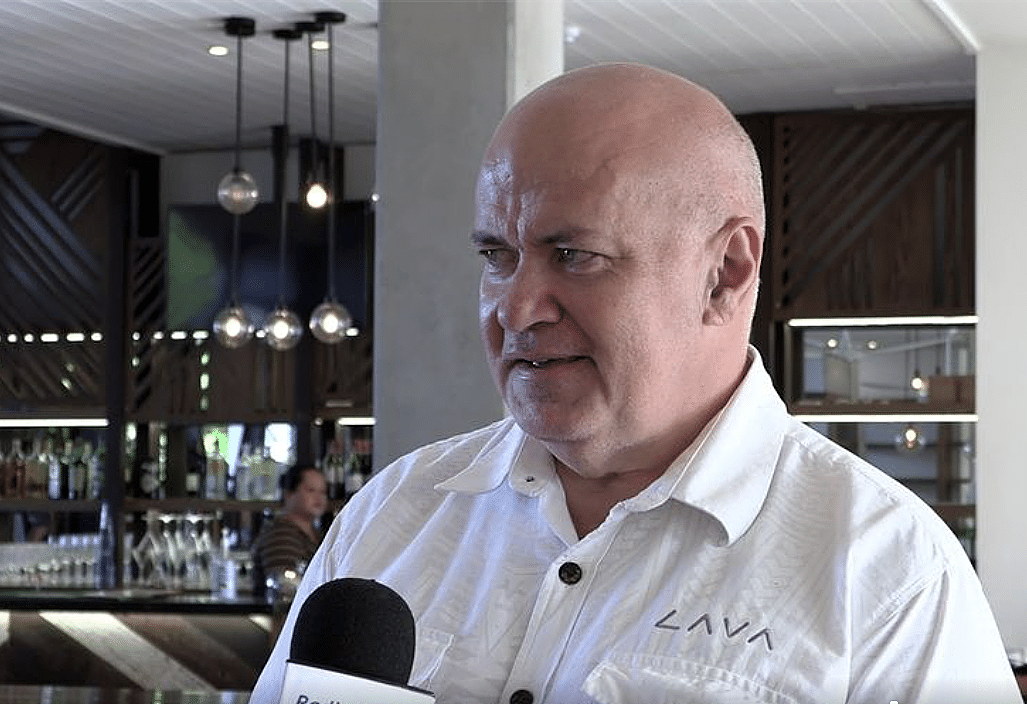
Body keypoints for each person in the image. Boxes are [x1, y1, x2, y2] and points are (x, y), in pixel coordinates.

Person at [249, 64, 1020, 703]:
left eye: (574, 255)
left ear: (725, 273)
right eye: (496, 257)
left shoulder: (885, 572)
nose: (515, 306)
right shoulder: (394, 515)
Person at [250, 463, 328, 599]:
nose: (319, 498)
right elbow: (285, 588)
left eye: (323, 492)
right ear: (289, 494)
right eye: (311, 490)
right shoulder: (280, 535)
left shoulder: (318, 534)